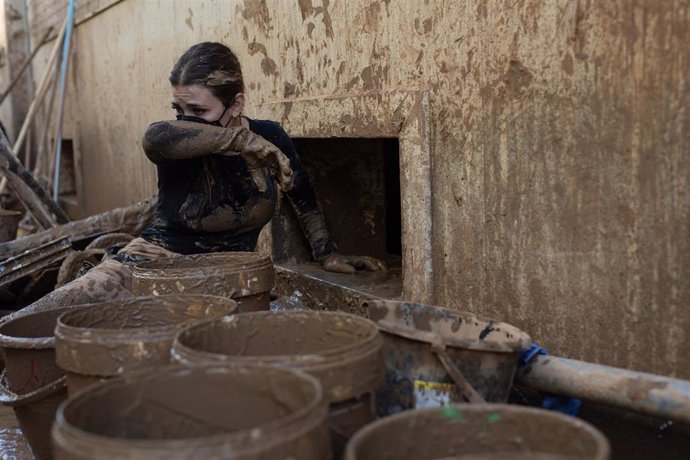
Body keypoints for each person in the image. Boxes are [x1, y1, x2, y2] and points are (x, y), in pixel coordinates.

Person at [5, 42, 384, 318]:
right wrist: (237, 139)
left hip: (228, 274)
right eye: (178, 108)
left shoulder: (271, 138)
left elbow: (302, 196)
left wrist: (327, 253)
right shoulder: (179, 140)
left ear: (236, 104)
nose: (185, 118)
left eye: (198, 110)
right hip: (152, 262)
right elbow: (154, 139)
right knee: (27, 326)